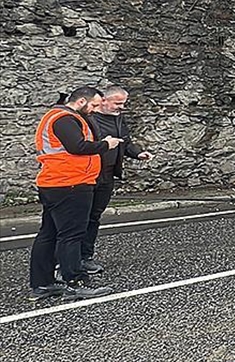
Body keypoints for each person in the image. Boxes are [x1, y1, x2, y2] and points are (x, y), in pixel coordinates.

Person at [29, 87, 121, 301]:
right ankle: (75, 283)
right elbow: (77, 147)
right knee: (71, 234)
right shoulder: (65, 119)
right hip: (70, 183)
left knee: (49, 233)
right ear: (81, 101)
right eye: (94, 105)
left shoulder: (58, 116)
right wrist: (106, 144)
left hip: (57, 183)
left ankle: (43, 284)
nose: (96, 110)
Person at [85, 87, 152, 275]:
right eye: (117, 103)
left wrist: (138, 153)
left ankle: (85, 256)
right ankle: (65, 261)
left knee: (94, 217)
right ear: (103, 100)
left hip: (107, 175)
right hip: (88, 174)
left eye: (123, 103)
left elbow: (126, 141)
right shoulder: (88, 119)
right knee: (79, 219)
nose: (121, 107)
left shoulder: (118, 118)